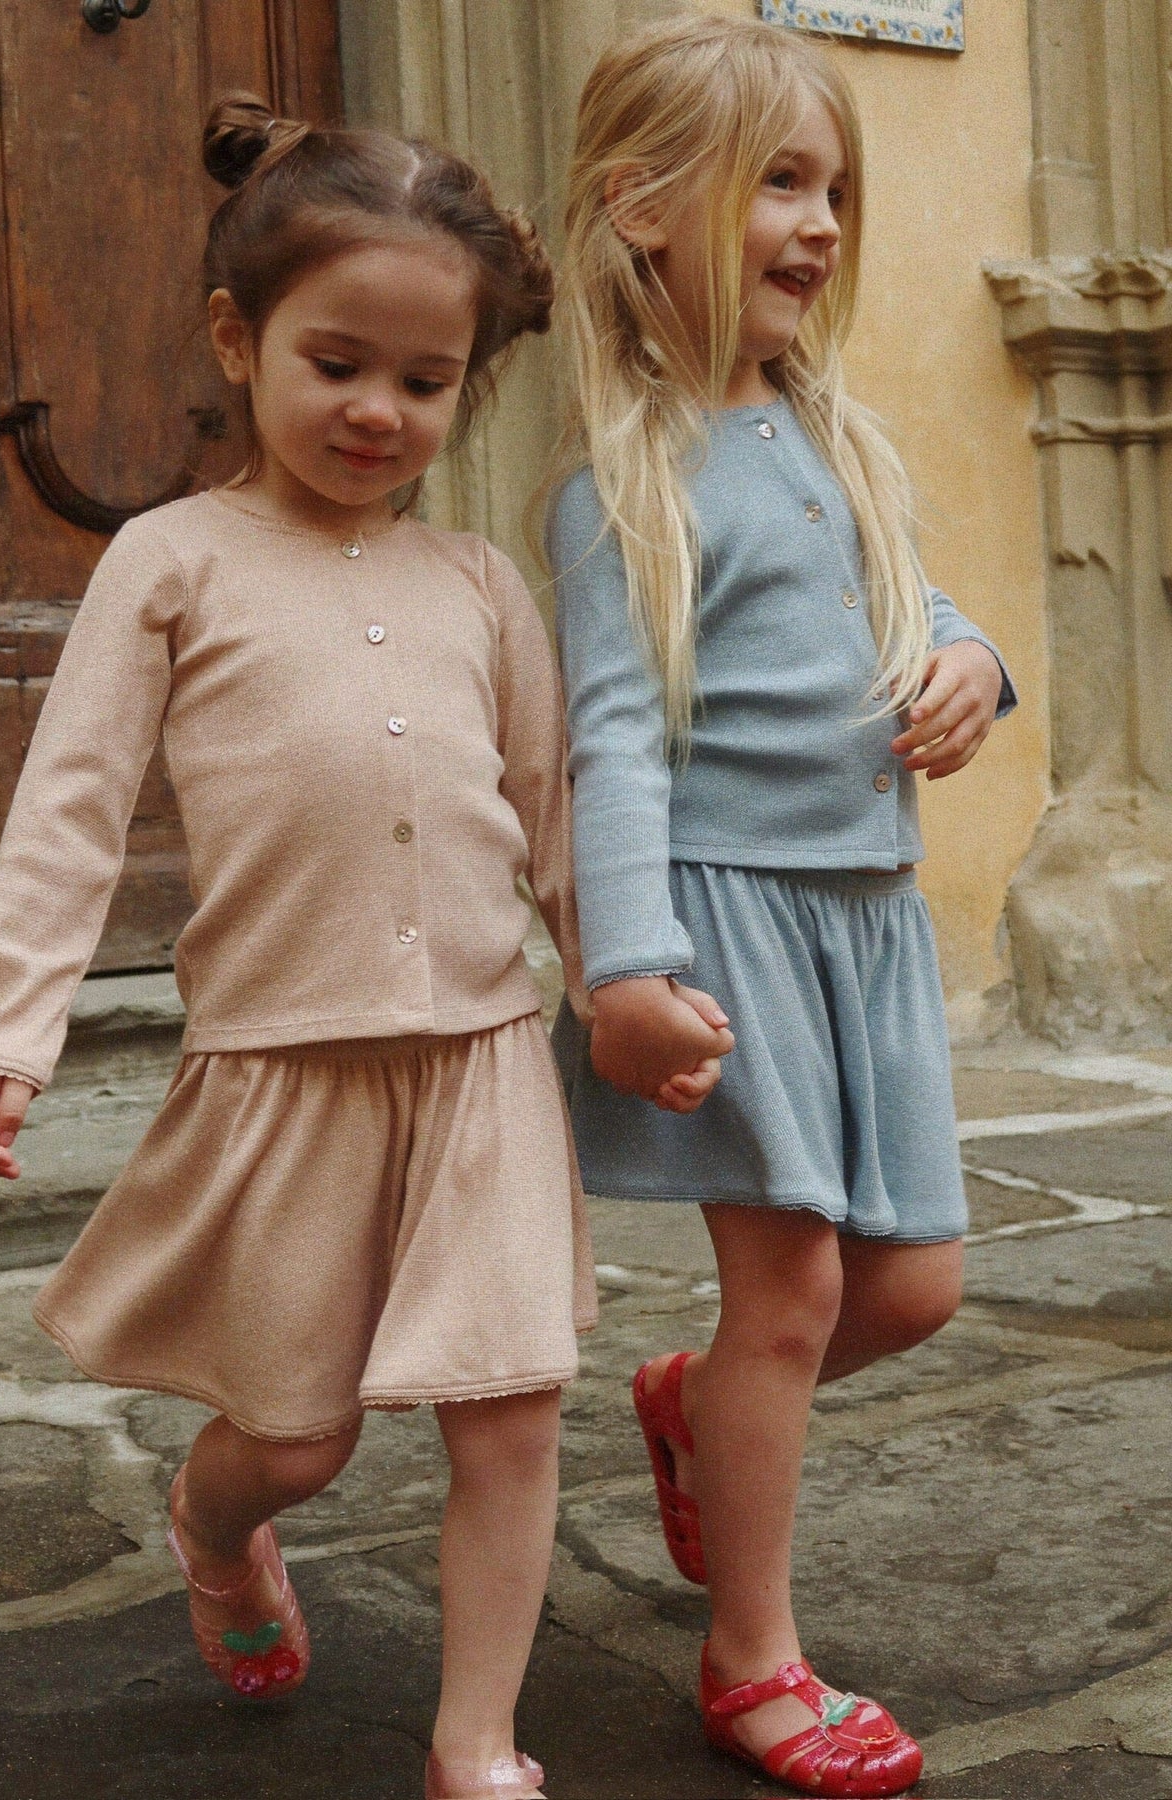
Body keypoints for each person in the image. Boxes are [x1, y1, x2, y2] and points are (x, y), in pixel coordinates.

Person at [0, 96, 598, 1800]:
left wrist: (622, 983)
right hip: (284, 1067)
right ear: (237, 341)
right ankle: (213, 1521)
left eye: (427, 380)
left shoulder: (481, 583)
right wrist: (11, 1025)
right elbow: (73, 803)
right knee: (297, 1439)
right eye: (339, 363)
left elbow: (553, 810)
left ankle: (476, 1743)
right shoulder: (171, 561)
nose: (381, 410)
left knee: (513, 1406)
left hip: (482, 1059)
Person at [547, 16, 1016, 1799]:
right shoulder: (622, 485)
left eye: (834, 190)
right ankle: (752, 1655)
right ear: (642, 207)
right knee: (796, 1294)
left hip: (870, 921)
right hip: (732, 926)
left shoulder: (841, 436)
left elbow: (917, 603)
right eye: (780, 184)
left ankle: (691, 1406)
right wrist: (631, 968)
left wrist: (974, 662)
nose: (820, 223)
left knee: (918, 1288)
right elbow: (615, 744)